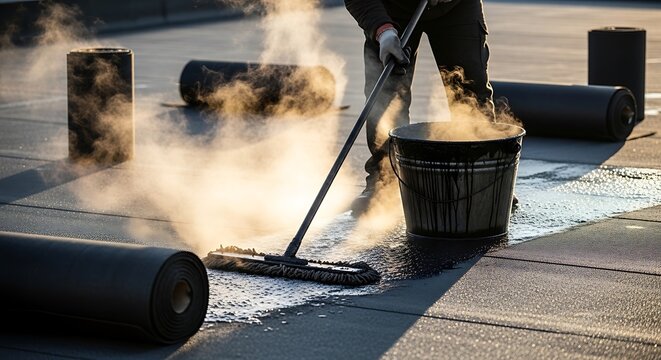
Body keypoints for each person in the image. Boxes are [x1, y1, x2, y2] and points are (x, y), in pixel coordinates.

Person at [344, 0, 497, 213]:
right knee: (385, 96)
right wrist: (383, 31)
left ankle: (486, 181)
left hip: (456, 8)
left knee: (469, 90)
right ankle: (386, 180)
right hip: (393, 9)